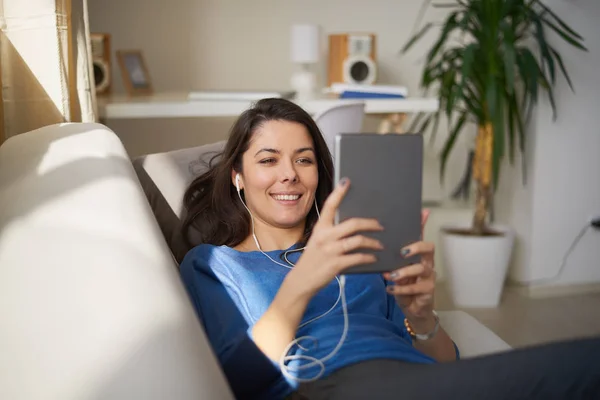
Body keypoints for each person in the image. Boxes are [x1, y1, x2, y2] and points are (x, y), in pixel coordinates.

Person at [179, 98, 600, 400]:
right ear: (238, 176)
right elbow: (233, 379)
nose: (289, 174)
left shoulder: (360, 246)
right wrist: (302, 283)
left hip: (412, 377)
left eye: (304, 160)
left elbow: (445, 362)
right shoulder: (216, 264)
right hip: (326, 385)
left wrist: (421, 316)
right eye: (268, 160)